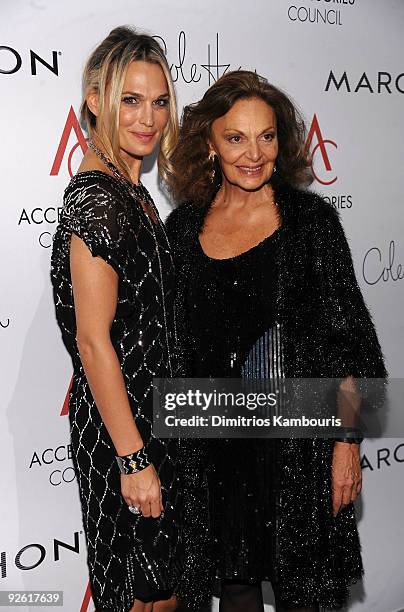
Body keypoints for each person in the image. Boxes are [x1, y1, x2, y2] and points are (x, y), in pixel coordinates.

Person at [165, 71, 387, 611]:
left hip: (298, 454)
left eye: (266, 136)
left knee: (303, 595)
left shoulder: (311, 223)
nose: (253, 153)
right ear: (209, 143)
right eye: (236, 137)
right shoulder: (181, 230)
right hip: (214, 457)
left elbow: (349, 344)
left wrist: (345, 444)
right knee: (234, 590)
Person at [51, 26, 206, 612]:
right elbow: (94, 343)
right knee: (149, 600)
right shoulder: (98, 199)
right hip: (129, 436)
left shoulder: (133, 193)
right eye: (130, 100)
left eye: (160, 100)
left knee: (166, 594)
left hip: (157, 425)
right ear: (96, 100)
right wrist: (134, 459)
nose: (149, 118)